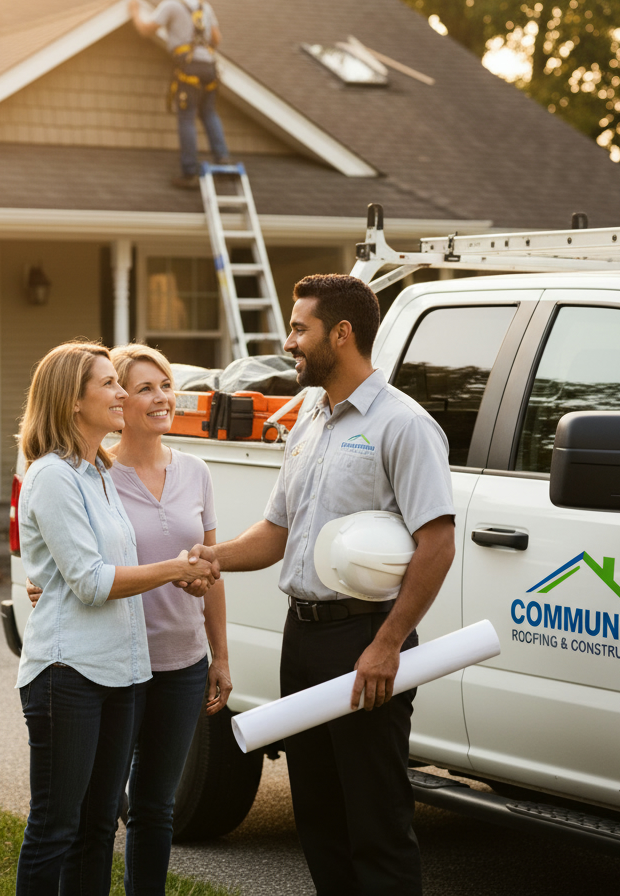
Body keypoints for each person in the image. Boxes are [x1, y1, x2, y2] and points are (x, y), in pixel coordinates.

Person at [185, 275, 456, 896]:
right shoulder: (310, 417)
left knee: (376, 821)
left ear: (342, 333)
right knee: (318, 816)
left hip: (365, 640)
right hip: (301, 639)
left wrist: (388, 643)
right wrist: (213, 557)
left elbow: (436, 542)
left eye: (300, 328)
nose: (289, 342)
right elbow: (279, 529)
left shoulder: (403, 426)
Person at [14, 341, 217, 896]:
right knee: (57, 827)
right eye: (110, 384)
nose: (123, 394)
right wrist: (175, 568)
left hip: (120, 674)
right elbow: (92, 581)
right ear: (72, 401)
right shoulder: (53, 476)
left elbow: (113, 564)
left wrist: (182, 576)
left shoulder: (97, 471)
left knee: (100, 824)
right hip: (68, 674)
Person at [129, 0, 231, 190]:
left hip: (189, 67)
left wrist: (135, 12)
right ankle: (222, 160)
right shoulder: (205, 6)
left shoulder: (171, 5)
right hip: (210, 68)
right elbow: (216, 38)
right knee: (209, 112)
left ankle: (189, 173)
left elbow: (146, 29)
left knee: (186, 117)